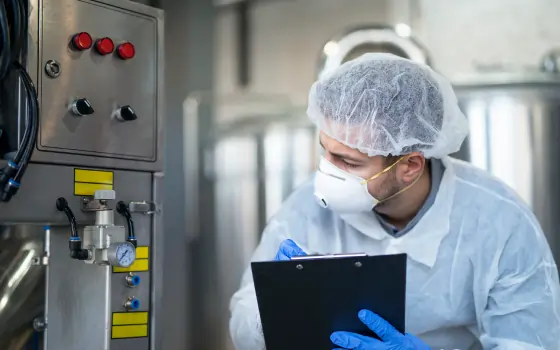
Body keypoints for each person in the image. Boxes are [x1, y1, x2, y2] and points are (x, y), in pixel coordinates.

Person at [229, 53, 560, 349]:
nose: (328, 171)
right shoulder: (305, 210)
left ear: (409, 166)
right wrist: (272, 307)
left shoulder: (499, 222)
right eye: (325, 151)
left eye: (349, 162)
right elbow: (242, 320)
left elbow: (530, 343)